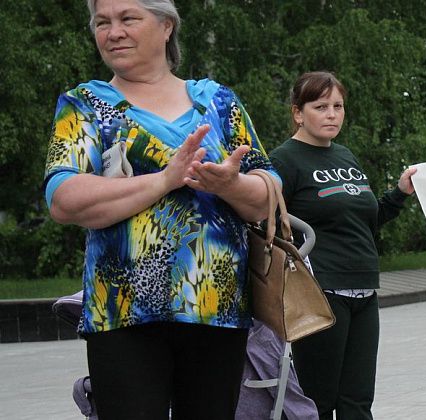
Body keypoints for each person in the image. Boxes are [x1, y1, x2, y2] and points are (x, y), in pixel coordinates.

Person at [43, 0, 276, 418]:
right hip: (122, 313)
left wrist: (231, 184)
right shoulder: (87, 104)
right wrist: (164, 180)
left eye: (128, 19)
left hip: (215, 310)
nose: (113, 32)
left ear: (166, 26)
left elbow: (269, 192)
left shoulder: (218, 100)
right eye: (102, 22)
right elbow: (64, 198)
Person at [269, 71, 417, 420]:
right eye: (321, 106)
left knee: (357, 402)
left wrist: (399, 194)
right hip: (321, 295)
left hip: (365, 290)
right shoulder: (284, 160)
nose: (332, 114)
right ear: (298, 113)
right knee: (317, 402)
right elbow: (271, 229)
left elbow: (366, 220)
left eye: (338, 106)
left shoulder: (345, 156)